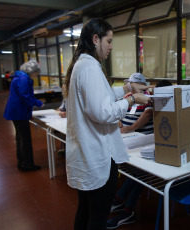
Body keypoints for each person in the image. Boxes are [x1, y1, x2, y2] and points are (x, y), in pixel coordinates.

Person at [63, 18, 152, 230]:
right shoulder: (91, 68)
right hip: (97, 157)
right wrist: (132, 100)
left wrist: (127, 89)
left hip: (87, 155)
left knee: (85, 211)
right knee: (97, 218)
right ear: (96, 39)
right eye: (109, 41)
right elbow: (102, 112)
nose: (111, 46)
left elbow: (101, 97)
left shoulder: (83, 65)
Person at [107, 80, 172, 229]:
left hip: (165, 150)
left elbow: (149, 113)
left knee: (141, 173)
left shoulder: (173, 107)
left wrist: (130, 128)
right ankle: (120, 201)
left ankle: (126, 208)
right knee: (138, 171)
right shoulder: (154, 102)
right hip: (153, 145)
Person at [3, 60, 44, 171]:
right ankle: (28, 164)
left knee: (20, 138)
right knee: (25, 139)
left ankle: (22, 162)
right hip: (20, 112)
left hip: (16, 112)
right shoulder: (24, 79)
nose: (36, 76)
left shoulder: (18, 77)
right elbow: (25, 97)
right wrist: (39, 103)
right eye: (36, 73)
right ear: (32, 71)